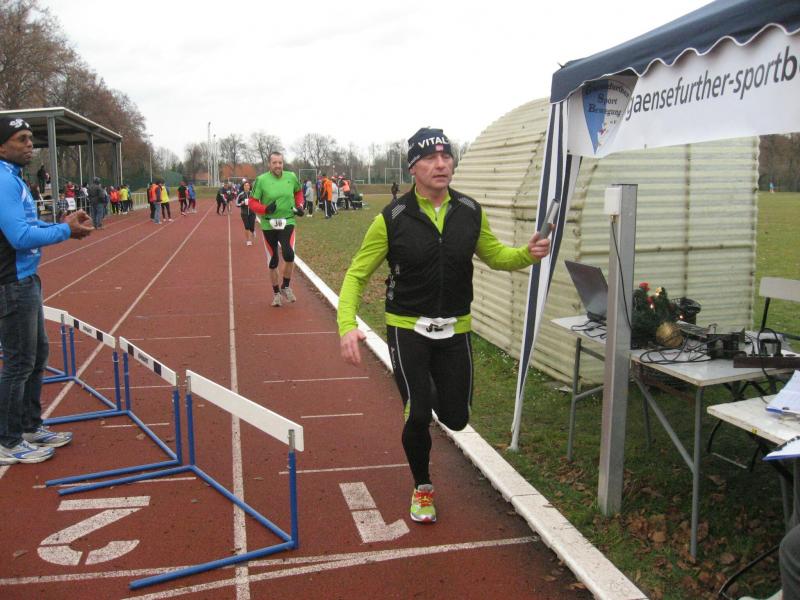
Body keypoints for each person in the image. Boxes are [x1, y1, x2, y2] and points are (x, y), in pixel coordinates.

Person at [337, 127, 552, 524]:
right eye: (430, 158)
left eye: (446, 156)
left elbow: (497, 255)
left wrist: (528, 253)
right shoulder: (391, 219)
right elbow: (356, 275)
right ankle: (422, 486)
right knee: (419, 413)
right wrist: (346, 324)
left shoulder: (469, 211)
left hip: (456, 329)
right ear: (413, 168)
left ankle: (428, 391)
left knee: (456, 418)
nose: (441, 164)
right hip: (407, 327)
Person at [0, 116, 94, 465]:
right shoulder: (2, 181)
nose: (30, 144)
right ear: (2, 147)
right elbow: (20, 236)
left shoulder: (13, 178)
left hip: (25, 279)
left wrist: (61, 225)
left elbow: (29, 224)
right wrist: (66, 231)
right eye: (22, 139)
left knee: (36, 356)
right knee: (19, 362)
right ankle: (7, 440)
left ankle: (28, 426)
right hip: (11, 283)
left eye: (30, 138)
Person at [248, 151, 304, 306]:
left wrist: (300, 205)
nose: (278, 165)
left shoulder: (291, 177)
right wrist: (265, 209)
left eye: (280, 162)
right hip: (269, 224)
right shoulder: (261, 180)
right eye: (275, 163)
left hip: (288, 221)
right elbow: (252, 202)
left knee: (289, 254)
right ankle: (276, 293)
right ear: (269, 164)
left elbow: (298, 192)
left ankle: (285, 286)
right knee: (273, 261)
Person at [235, 180, 256, 245]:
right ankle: (248, 240)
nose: (247, 186)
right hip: (244, 213)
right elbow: (237, 204)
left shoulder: (253, 194)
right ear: (243, 187)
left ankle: (253, 231)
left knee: (252, 227)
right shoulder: (240, 195)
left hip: (252, 213)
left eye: (248, 185)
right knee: (247, 227)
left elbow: (257, 202)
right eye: (245, 185)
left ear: (250, 187)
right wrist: (242, 203)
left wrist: (253, 203)